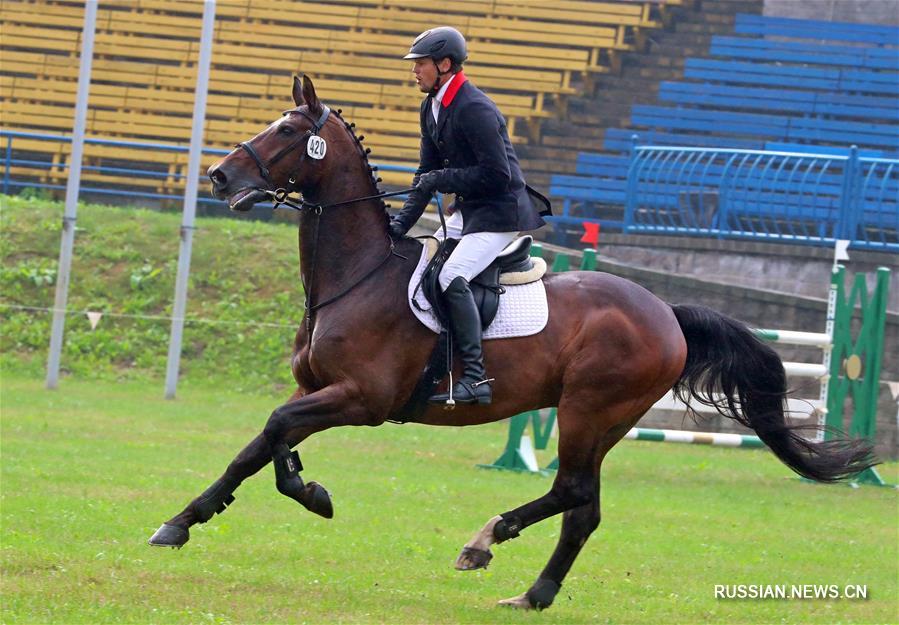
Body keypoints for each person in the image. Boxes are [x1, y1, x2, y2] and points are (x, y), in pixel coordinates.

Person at [389, 26, 549, 406]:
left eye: (421, 64)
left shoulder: (474, 108)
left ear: (445, 65)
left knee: (450, 275)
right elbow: (424, 176)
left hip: (499, 211)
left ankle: (476, 377)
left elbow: (498, 175)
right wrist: (399, 226)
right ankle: (440, 363)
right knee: (422, 270)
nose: (415, 71)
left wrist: (440, 179)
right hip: (471, 208)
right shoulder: (430, 106)